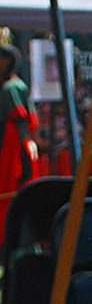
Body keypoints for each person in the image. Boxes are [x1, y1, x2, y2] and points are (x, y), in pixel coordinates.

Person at [0, 43, 38, 212]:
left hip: (10, 143)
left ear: (7, 61)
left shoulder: (12, 87)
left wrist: (26, 142)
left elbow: (21, 118)